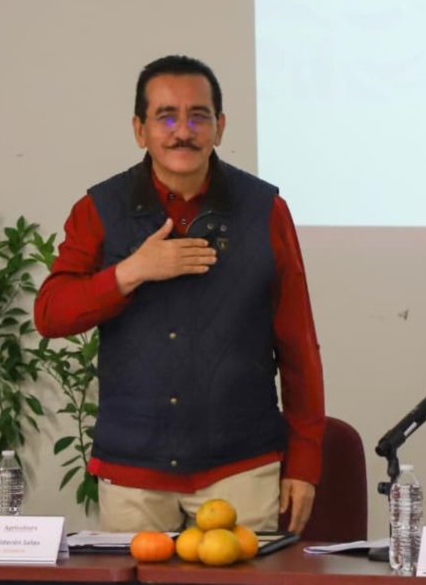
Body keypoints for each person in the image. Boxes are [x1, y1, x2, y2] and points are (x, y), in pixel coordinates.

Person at [34, 55, 325, 533]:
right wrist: (131, 271)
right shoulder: (98, 209)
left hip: (241, 464)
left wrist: (304, 463)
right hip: (133, 469)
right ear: (139, 130)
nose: (182, 132)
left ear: (220, 127)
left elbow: (299, 347)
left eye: (198, 117)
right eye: (166, 117)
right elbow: (50, 314)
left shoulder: (266, 210)